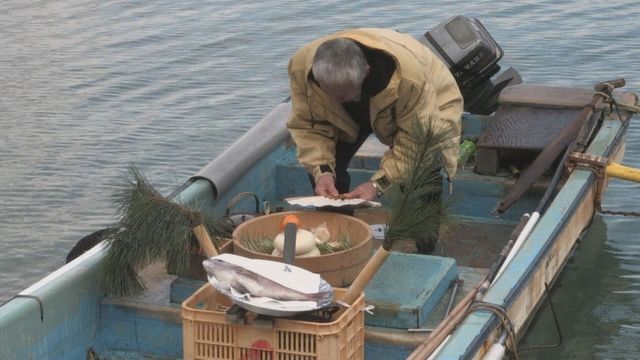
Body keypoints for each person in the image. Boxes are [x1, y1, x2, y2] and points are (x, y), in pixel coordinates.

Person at [286, 28, 463, 211]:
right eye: (327, 93)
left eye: (340, 96)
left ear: (366, 73)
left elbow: (416, 144)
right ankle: (338, 232)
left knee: (425, 166)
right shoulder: (302, 68)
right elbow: (309, 126)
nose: (332, 101)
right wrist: (322, 173)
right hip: (353, 110)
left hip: (428, 98)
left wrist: (377, 185)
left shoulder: (410, 79)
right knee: (324, 171)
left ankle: (420, 236)